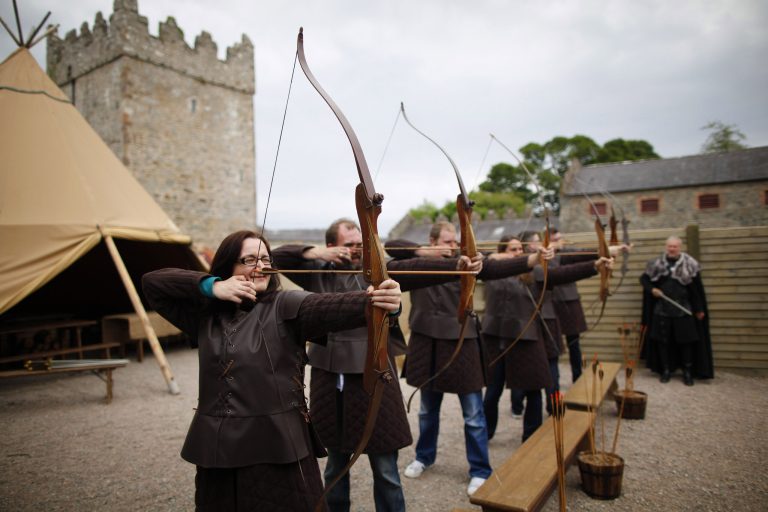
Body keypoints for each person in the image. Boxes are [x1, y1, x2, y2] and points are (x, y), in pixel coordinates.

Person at [141, 230, 402, 511]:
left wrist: (379, 301)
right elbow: (153, 283)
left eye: (265, 258)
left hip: (281, 447)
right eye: (249, 259)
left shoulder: (285, 304)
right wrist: (212, 286)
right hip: (219, 449)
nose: (261, 266)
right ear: (228, 266)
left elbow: (334, 306)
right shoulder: (206, 315)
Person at [272, 219, 479, 512]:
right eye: (350, 245)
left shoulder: (378, 271)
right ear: (332, 247)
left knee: (386, 469)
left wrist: (459, 265)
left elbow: (410, 273)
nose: (358, 250)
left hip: (375, 371)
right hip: (330, 376)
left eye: (362, 244)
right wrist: (313, 252)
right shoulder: (318, 272)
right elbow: (276, 257)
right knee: (334, 465)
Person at [385, 221, 553, 496]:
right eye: (448, 242)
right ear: (432, 241)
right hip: (427, 341)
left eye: (455, 241)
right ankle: (424, 456)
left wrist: (534, 257)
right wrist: (427, 253)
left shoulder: (467, 261)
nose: (453, 246)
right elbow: (392, 249)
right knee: (428, 411)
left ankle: (480, 469)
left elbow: (497, 268)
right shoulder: (415, 263)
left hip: (462, 342)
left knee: (473, 414)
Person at [483, 234, 612, 441]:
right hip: (496, 339)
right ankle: (486, 433)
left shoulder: (534, 272)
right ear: (501, 251)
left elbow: (563, 273)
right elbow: (479, 258)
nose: (518, 253)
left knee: (533, 388)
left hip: (526, 337)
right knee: (492, 392)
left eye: (519, 249)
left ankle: (530, 437)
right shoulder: (491, 270)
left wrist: (595, 266)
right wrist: (498, 258)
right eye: (512, 249)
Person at [641, 235, 714, 385]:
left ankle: (687, 372)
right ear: (666, 246)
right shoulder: (657, 264)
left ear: (680, 247)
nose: (672, 249)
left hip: (683, 310)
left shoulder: (689, 264)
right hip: (662, 310)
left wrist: (699, 309)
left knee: (686, 342)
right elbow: (643, 279)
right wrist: (652, 289)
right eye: (670, 246)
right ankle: (666, 370)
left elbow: (696, 289)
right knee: (663, 341)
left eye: (675, 246)